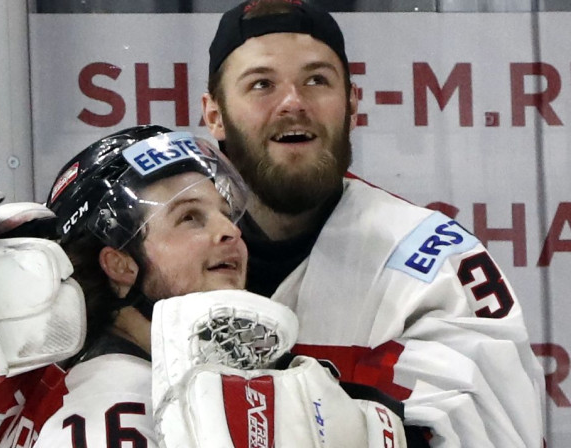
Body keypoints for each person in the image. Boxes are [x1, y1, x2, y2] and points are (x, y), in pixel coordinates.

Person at [201, 1, 545, 447]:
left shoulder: (433, 259)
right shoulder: (157, 256)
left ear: (352, 103)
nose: (294, 102)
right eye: (262, 84)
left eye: (316, 80)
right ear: (214, 115)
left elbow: (493, 431)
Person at [0, 125, 407, 447]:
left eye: (224, 214)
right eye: (190, 218)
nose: (230, 232)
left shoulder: (72, 381)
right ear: (120, 264)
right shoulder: (133, 405)